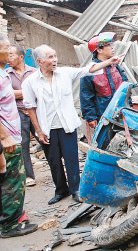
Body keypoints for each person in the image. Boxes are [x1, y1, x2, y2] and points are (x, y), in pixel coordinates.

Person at [22, 44, 123, 205]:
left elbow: (88, 70)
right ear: (40, 61)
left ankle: (76, 189)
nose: (55, 60)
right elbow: (30, 108)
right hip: (47, 128)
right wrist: (39, 131)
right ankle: (60, 190)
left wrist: (109, 61)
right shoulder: (30, 82)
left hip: (67, 124)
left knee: (71, 159)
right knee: (54, 161)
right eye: (50, 57)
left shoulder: (65, 73)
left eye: (55, 56)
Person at [0, 35, 38, 238]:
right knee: (13, 180)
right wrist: (5, 138)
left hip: (9, 134)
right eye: (6, 48)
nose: (10, 52)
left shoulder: (3, 74)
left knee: (8, 179)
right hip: (6, 138)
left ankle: (9, 218)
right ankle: (9, 226)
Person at [80, 32, 128, 129]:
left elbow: (125, 86)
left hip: (122, 111)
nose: (112, 48)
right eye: (109, 45)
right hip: (103, 115)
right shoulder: (91, 71)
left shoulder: (115, 66)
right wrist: (91, 117)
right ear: (99, 50)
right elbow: (86, 96)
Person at [6, 45, 37, 187]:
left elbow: (39, 91)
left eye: (11, 54)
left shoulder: (34, 72)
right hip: (19, 112)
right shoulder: (6, 74)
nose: (8, 58)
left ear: (21, 57)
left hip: (36, 111)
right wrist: (28, 91)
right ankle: (29, 176)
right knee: (23, 144)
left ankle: (58, 174)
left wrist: (17, 93)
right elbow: (8, 94)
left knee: (46, 141)